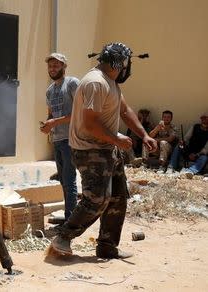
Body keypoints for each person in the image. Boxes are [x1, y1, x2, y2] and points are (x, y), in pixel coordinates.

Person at [51, 43, 157, 259]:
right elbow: (90, 124)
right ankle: (63, 237)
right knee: (97, 197)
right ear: (118, 63)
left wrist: (144, 135)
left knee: (118, 198)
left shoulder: (111, 83)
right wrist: (117, 138)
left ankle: (107, 247)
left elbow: (125, 111)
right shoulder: (95, 83)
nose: (127, 68)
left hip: (107, 148)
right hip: (90, 149)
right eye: (125, 63)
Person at [40, 53, 79, 221]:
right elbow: (50, 114)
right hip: (57, 140)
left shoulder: (72, 83)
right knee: (63, 180)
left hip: (71, 139)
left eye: (56, 65)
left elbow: (80, 112)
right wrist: (47, 125)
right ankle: (69, 217)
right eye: (50, 66)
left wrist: (54, 122)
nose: (52, 69)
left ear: (64, 66)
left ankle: (71, 221)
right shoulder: (50, 91)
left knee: (69, 181)